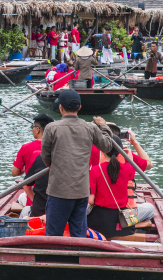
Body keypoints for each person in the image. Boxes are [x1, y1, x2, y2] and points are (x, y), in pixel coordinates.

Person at [39, 89, 113, 238]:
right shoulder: (90, 128)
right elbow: (107, 146)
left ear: (60, 107)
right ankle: (78, 258)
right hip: (81, 191)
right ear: (79, 107)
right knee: (79, 234)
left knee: (53, 235)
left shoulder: (51, 128)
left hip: (58, 190)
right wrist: (103, 126)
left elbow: (46, 158)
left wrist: (55, 164)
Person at [87, 137, 140, 240]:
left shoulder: (95, 170)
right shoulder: (128, 168)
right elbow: (130, 174)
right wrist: (128, 153)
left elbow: (91, 200)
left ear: (102, 150)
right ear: (120, 151)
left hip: (101, 223)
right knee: (149, 209)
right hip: (124, 223)